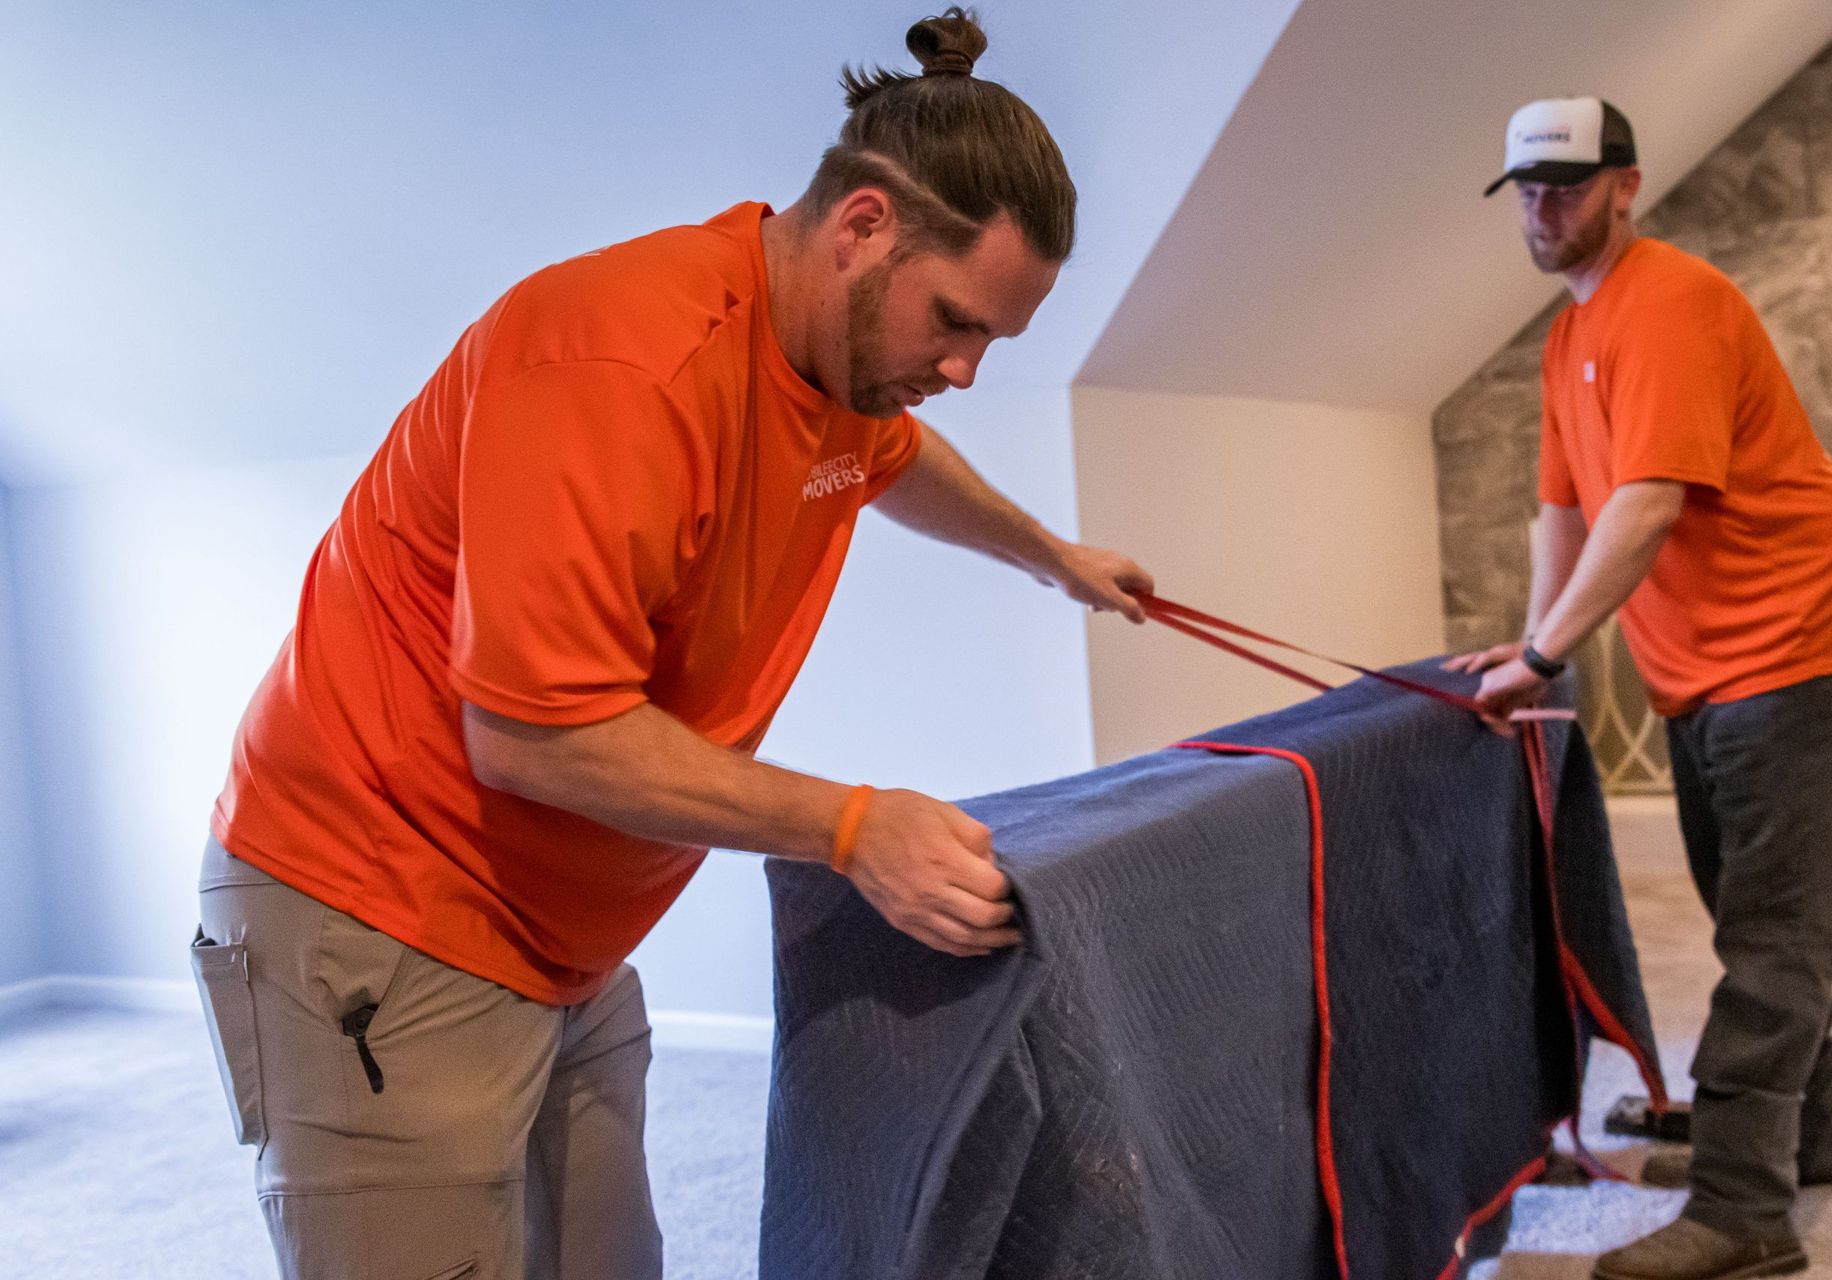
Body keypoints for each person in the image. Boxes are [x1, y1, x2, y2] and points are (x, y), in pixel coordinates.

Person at [188, 9, 1152, 1277]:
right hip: (377, 899)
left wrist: (1051, 555)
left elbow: (895, 455)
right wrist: (854, 828)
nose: (966, 367)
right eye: (956, 322)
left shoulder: (839, 363)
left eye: (990, 341)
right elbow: (537, 733)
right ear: (864, 226)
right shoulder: (619, 361)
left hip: (568, 930)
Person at [1453, 97, 1832, 1280]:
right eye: (1527, 191)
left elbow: (1647, 503)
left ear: (1626, 185)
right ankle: (1798, 1142)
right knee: (1750, 910)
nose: (1543, 210)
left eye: (1566, 187)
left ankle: (1745, 1208)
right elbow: (1562, 515)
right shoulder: (1567, 335)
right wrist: (1531, 645)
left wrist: (1546, 655)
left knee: (1770, 936)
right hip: (1699, 669)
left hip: (1794, 642)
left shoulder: (1672, 302)